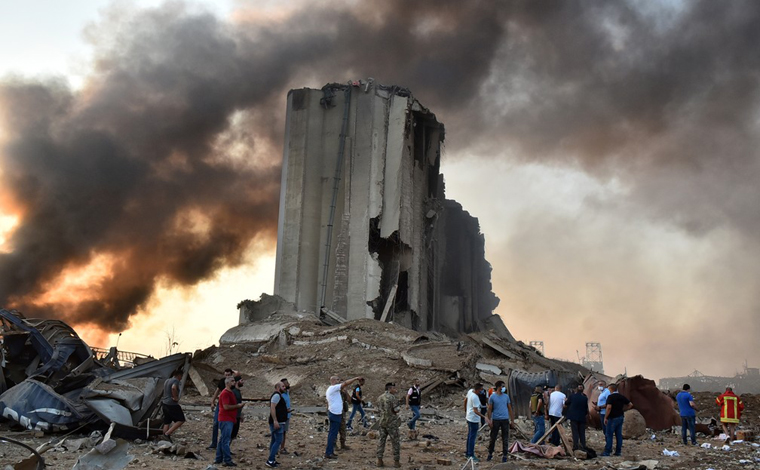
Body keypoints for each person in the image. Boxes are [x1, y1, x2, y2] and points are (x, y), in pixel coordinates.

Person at [324, 376, 363, 459]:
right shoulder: (333, 388)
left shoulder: (337, 390)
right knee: (332, 434)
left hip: (338, 413)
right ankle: (329, 452)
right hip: (335, 414)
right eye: (338, 380)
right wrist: (355, 378)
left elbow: (349, 400)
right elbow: (345, 383)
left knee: (334, 433)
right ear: (333, 381)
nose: (340, 381)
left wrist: (345, 392)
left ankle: (331, 451)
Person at [216, 377, 245, 467]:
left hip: (228, 419)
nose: (234, 382)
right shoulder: (225, 393)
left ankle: (219, 458)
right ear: (227, 383)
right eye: (232, 381)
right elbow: (226, 407)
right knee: (225, 440)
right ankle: (227, 460)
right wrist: (238, 406)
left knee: (222, 439)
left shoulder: (230, 392)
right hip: (225, 419)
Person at [486, 380, 514, 463]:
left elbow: (510, 408)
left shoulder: (506, 396)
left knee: (505, 438)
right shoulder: (492, 397)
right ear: (498, 387)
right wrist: (489, 420)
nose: (503, 388)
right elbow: (490, 409)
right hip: (496, 420)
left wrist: (512, 420)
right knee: (493, 438)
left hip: (505, 419)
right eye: (502, 386)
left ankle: (505, 455)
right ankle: (490, 453)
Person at [602, 383, 633, 457]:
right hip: (620, 417)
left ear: (611, 389)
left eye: (609, 389)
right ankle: (618, 452)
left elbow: (609, 407)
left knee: (609, 434)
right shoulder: (621, 397)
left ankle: (607, 452)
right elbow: (630, 404)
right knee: (618, 435)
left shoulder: (610, 397)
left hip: (612, 418)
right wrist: (623, 410)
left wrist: (606, 417)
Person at [376, 382, 401, 468]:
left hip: (382, 422)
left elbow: (378, 410)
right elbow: (396, 410)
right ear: (390, 389)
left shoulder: (380, 397)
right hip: (391, 423)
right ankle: (396, 462)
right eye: (394, 388)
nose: (395, 390)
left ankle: (379, 460)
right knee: (395, 441)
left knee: (381, 441)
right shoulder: (393, 398)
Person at [209, 368, 235, 449]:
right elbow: (217, 391)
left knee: (227, 426)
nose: (227, 376)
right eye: (226, 375)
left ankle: (225, 445)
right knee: (216, 424)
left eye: (229, 375)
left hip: (229, 407)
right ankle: (214, 443)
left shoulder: (233, 383)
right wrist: (212, 401)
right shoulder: (222, 382)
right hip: (221, 405)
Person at [465, 383, 491, 461]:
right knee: (472, 437)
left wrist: (465, 411)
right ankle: (471, 454)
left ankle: (468, 453)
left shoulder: (470, 392)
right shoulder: (475, 397)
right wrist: (484, 417)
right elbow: (476, 411)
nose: (481, 391)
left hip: (469, 417)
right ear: (477, 390)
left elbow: (465, 400)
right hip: (473, 418)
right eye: (480, 390)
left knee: (470, 436)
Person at [265, 381, 288, 468]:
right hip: (277, 422)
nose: (284, 387)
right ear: (278, 387)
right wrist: (275, 421)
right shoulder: (276, 395)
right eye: (283, 386)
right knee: (278, 440)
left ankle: (272, 459)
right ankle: (270, 460)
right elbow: (272, 407)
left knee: (274, 440)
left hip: (279, 421)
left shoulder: (279, 396)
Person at [161, 369, 185, 440]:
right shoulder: (175, 381)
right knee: (181, 420)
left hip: (164, 403)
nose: (181, 378)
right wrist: (175, 397)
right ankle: (167, 433)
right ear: (179, 375)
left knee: (167, 421)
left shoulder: (167, 380)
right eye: (181, 376)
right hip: (171, 404)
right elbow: (173, 388)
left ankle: (164, 436)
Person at [565, 384, 589, 451]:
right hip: (582, 417)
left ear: (576, 389)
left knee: (575, 432)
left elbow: (566, 403)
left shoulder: (572, 396)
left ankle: (575, 446)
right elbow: (586, 408)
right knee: (582, 432)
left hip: (573, 417)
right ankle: (583, 445)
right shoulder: (585, 398)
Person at [280, 378, 293, 455]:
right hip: (283, 416)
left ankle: (282, 447)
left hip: (287, 415)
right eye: (287, 383)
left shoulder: (287, 392)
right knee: (282, 433)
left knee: (284, 432)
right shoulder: (280, 395)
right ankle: (281, 448)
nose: (289, 384)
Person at [339, 386, 352, 451]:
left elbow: (350, 401)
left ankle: (343, 444)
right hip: (335, 413)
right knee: (334, 429)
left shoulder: (344, 394)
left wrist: (346, 392)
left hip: (342, 413)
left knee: (343, 429)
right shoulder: (335, 392)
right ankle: (334, 445)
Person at [231, 376, 244, 440]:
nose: (243, 382)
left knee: (233, 435)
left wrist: (240, 414)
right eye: (241, 380)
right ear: (237, 382)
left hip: (237, 416)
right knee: (230, 435)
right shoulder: (233, 392)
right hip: (233, 417)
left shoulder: (238, 391)